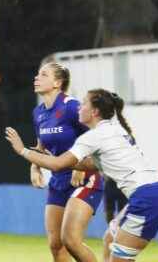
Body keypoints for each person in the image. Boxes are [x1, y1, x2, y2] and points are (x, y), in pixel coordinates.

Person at [6, 89, 158, 262]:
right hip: (157, 193)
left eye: (84, 103)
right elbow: (90, 164)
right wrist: (52, 159)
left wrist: (22, 150)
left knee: (119, 258)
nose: (79, 107)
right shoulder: (115, 129)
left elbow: (58, 165)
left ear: (94, 112)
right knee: (109, 238)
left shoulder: (93, 137)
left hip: (147, 200)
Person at [29, 62, 104, 262]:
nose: (37, 78)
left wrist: (81, 164)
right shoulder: (38, 113)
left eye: (43, 75)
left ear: (57, 82)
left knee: (71, 240)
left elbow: (96, 137)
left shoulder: (72, 106)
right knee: (55, 244)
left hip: (85, 177)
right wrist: (35, 166)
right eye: (37, 74)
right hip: (58, 179)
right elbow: (40, 146)